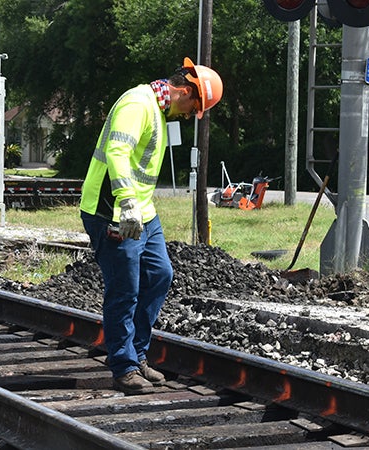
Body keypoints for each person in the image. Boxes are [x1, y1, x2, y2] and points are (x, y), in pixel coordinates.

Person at [79, 58, 223, 393]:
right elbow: (116, 152)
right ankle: (124, 366)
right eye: (193, 108)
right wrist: (126, 201)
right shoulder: (137, 104)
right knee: (124, 289)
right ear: (184, 91)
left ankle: (137, 355)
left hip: (142, 211)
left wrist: (136, 205)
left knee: (160, 275)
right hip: (112, 209)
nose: (189, 116)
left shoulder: (157, 111)